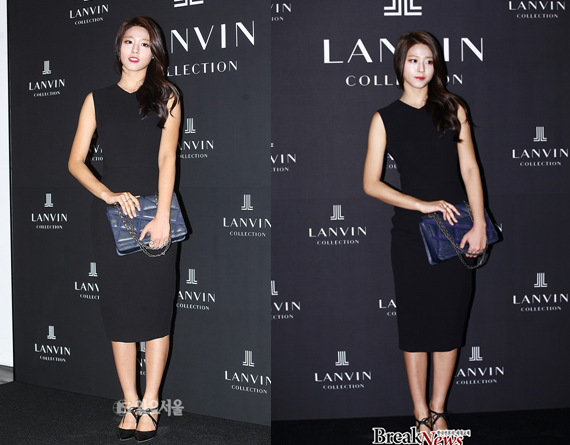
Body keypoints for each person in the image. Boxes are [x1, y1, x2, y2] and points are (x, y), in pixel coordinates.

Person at [363, 31, 487, 432]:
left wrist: (480, 224)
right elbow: (370, 183)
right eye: (413, 60)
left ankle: (438, 410)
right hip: (411, 235)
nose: (421, 68)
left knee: (449, 321)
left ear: (436, 66)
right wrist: (421, 204)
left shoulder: (453, 108)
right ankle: (420, 413)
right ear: (400, 64)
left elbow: (470, 169)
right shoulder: (384, 118)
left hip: (455, 232)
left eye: (428, 61)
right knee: (415, 324)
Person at [68, 16, 181, 442]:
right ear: (118, 47)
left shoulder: (167, 95)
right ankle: (130, 403)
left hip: (155, 216)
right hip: (112, 220)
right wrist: (108, 194)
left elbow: (168, 157)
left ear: (155, 51)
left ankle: (150, 404)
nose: (135, 50)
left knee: (155, 311)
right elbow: (75, 161)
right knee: (119, 314)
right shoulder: (96, 99)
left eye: (144, 43)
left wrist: (163, 215)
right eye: (129, 41)